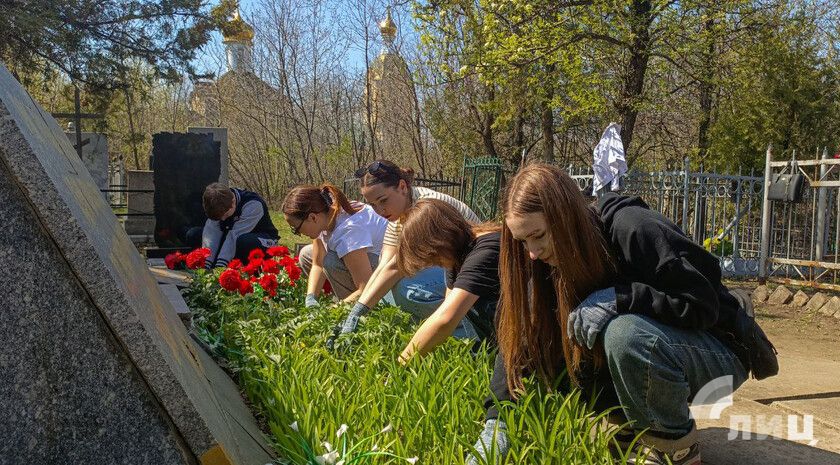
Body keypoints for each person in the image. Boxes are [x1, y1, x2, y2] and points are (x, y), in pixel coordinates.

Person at [469, 163, 759, 465]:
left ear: (565, 216)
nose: (532, 251)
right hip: (663, 352)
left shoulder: (632, 228)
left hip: (717, 355)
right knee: (574, 329)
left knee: (625, 333)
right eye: (523, 240)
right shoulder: (546, 262)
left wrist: (623, 296)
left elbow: (703, 304)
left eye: (538, 235)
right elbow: (520, 335)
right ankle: (631, 427)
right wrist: (497, 424)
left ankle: (675, 448)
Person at [339, 160, 480, 336]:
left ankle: (463, 333)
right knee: (388, 288)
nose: (380, 210)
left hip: (473, 273)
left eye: (383, 200)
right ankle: (428, 326)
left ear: (402, 186)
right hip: (451, 269)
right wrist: (357, 310)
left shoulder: (427, 206)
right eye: (373, 205)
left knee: (407, 287)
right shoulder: (397, 216)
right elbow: (384, 265)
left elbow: (396, 266)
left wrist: (360, 310)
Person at [395, 199, 501, 363]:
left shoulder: (485, 251)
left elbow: (446, 319)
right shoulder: (457, 252)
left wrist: (401, 364)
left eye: (434, 257)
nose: (434, 264)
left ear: (441, 238)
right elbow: (446, 308)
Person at [285, 184, 388, 305]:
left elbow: (365, 287)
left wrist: (331, 313)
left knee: (331, 261)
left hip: (388, 269)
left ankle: (358, 309)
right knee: (307, 254)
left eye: (296, 229)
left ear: (312, 217)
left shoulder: (348, 231)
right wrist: (311, 298)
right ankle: (344, 298)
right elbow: (317, 264)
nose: (299, 233)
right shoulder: (325, 213)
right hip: (364, 256)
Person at [195, 183, 279, 269]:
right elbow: (211, 233)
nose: (223, 219)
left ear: (233, 202)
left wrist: (220, 266)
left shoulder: (253, 204)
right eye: (220, 218)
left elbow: (235, 235)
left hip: (262, 239)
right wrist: (206, 264)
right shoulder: (217, 202)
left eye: (226, 215)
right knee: (194, 234)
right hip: (232, 236)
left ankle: (249, 271)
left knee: (244, 241)